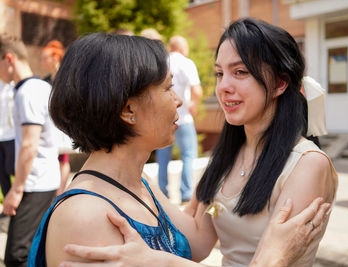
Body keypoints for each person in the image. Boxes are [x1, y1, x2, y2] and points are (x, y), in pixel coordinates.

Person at [27, 33, 330, 267]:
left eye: (240, 72)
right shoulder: (85, 215)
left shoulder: (139, 184)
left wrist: (221, 189)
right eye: (168, 88)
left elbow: (196, 240)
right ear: (128, 109)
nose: (179, 101)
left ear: (279, 84)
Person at [0, 35, 61, 267]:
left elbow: (29, 144)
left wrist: (16, 190)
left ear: (9, 59)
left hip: (36, 182)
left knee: (17, 255)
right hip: (41, 180)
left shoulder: (29, 92)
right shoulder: (37, 87)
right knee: (34, 251)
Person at [156, 35, 203, 202]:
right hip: (183, 119)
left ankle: (162, 192)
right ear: (183, 48)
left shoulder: (162, 63)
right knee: (189, 155)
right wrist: (194, 106)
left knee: (163, 157)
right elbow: (197, 90)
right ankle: (186, 193)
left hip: (163, 119)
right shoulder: (186, 63)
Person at [41, 40, 70, 195]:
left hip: (61, 120)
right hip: (48, 120)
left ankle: (60, 191)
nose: (43, 62)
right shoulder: (44, 80)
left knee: (63, 156)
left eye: (45, 58)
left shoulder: (65, 78)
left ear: (55, 58)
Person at [0, 79, 15, 198]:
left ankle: (19, 198)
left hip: (12, 135)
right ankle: (6, 199)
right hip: (1, 135)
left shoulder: (14, 85)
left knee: (12, 168)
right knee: (1, 172)